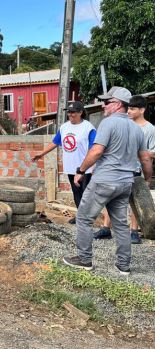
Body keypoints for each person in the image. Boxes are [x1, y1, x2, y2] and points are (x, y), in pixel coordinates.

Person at [63, 86, 152, 275]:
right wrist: (147, 180)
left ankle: (84, 259)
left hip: (105, 180)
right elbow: (145, 159)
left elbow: (96, 151)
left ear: (117, 104)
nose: (103, 106)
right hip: (125, 183)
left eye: (106, 102)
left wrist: (81, 170)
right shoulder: (137, 129)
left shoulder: (108, 123)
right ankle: (123, 265)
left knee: (84, 218)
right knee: (121, 224)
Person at [94, 95, 155, 243]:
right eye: (129, 108)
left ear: (142, 110)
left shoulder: (150, 129)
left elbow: (152, 152)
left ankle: (134, 231)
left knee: (134, 201)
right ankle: (106, 228)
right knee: (110, 198)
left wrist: (138, 152)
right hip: (117, 169)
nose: (129, 111)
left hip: (136, 170)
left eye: (133, 109)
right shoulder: (123, 124)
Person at [32, 101, 96, 224]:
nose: (70, 114)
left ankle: (86, 219)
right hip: (71, 166)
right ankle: (81, 217)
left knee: (85, 194)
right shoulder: (64, 127)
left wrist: (90, 166)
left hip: (84, 167)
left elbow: (93, 148)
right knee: (76, 193)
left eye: (73, 112)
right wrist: (41, 153)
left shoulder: (88, 128)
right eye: (69, 112)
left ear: (80, 112)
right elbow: (55, 142)